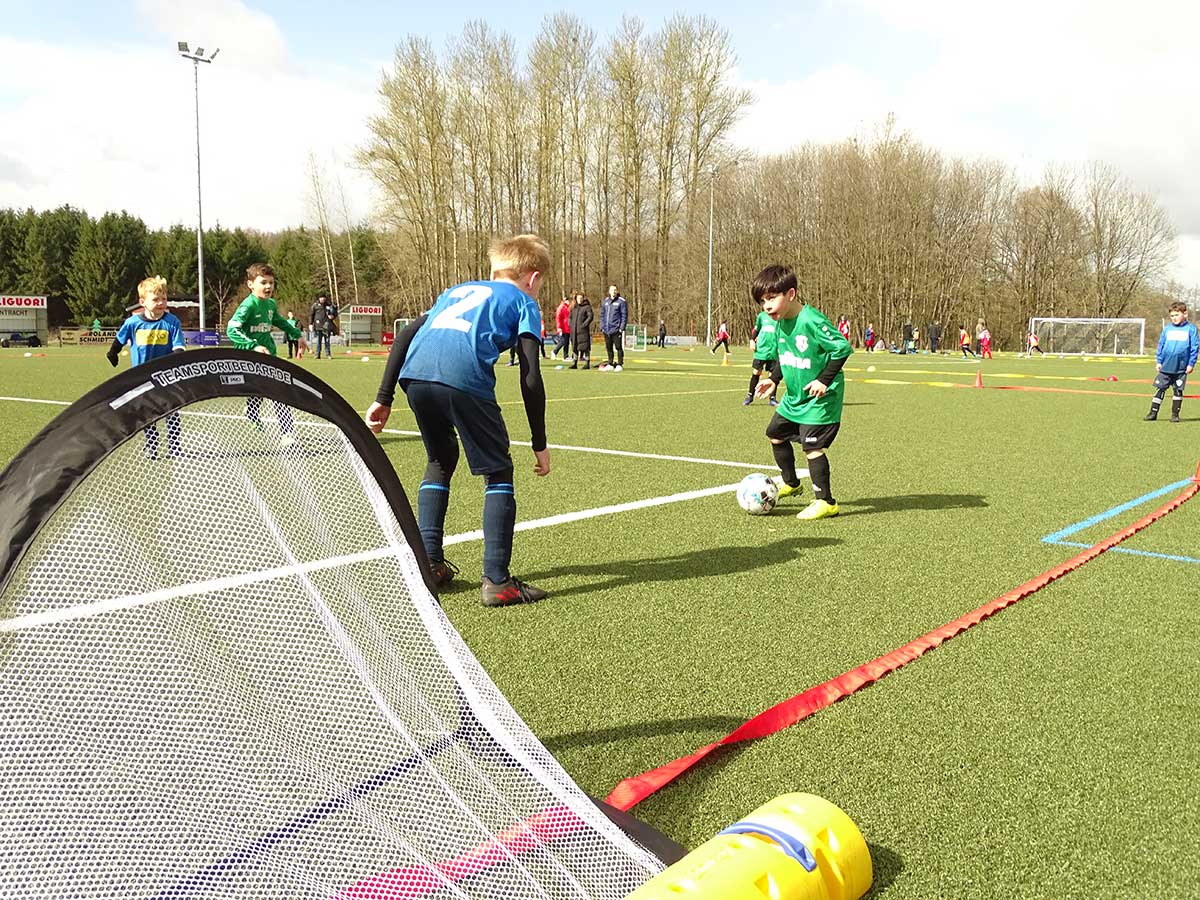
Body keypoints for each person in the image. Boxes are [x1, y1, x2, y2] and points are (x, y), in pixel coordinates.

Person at [365, 233, 552, 607]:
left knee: (439, 459)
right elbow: (530, 375)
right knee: (498, 472)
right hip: (462, 378)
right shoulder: (523, 301)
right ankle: (497, 581)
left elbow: (405, 334)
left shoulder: (456, 289)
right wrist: (539, 441)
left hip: (414, 376)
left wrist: (383, 399)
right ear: (532, 277)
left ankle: (429, 563)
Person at [750, 264, 853, 521]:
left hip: (820, 400)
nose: (767, 306)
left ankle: (826, 502)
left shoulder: (811, 320)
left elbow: (842, 348)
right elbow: (787, 357)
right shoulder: (780, 323)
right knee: (775, 434)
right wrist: (774, 380)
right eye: (763, 301)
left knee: (812, 447)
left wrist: (823, 380)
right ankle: (792, 484)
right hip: (794, 399)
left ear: (791, 294)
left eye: (772, 298)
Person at [228, 263, 308, 446]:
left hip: (269, 356)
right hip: (248, 358)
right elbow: (232, 330)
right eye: (263, 282)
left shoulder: (271, 304)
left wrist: (298, 336)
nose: (268, 287)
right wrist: (253, 346)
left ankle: (287, 433)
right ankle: (253, 412)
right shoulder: (248, 306)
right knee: (261, 390)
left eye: (271, 282)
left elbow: (281, 322)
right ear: (250, 285)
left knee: (281, 392)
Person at [106, 276, 186, 459]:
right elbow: (119, 339)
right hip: (142, 376)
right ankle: (152, 445)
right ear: (143, 302)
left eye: (164, 298)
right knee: (147, 412)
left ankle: (174, 446)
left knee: (171, 411)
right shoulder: (133, 323)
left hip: (167, 375)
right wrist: (112, 353)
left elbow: (178, 346)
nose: (161, 303)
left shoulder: (172, 321)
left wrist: (176, 358)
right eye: (156, 299)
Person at [1144, 301, 1198, 423]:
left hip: (1181, 368)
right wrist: (1159, 361)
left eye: (1176, 315)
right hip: (1166, 367)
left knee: (1178, 390)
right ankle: (1153, 413)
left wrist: (1191, 364)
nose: (1174, 318)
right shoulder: (1167, 329)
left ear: (1185, 314)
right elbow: (1161, 345)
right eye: (1172, 316)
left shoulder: (1191, 329)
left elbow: (1194, 348)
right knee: (1160, 388)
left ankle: (1175, 414)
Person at [744, 298, 779, 407]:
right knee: (756, 373)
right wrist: (752, 340)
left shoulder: (780, 318)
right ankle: (750, 396)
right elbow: (757, 329)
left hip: (774, 351)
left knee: (772, 375)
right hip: (761, 350)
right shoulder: (762, 316)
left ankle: (772, 398)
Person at [599, 284, 628, 371]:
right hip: (607, 329)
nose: (613, 292)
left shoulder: (621, 301)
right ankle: (610, 363)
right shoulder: (606, 301)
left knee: (618, 347)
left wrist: (621, 328)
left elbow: (624, 315)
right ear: (609, 291)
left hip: (616, 329)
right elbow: (602, 315)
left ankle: (620, 364)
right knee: (609, 347)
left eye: (615, 290)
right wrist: (602, 326)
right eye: (612, 290)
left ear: (617, 291)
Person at [569, 291, 594, 369]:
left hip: (583, 331)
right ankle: (574, 363)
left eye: (581, 298)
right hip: (574, 331)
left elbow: (590, 317)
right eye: (578, 298)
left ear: (583, 298)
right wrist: (570, 324)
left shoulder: (587, 307)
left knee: (585, 347)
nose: (579, 299)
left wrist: (584, 325)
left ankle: (587, 363)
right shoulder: (574, 307)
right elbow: (570, 317)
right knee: (574, 347)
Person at [309, 292, 338, 359]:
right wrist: (310, 324)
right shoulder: (315, 305)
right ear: (319, 298)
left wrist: (333, 316)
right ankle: (317, 354)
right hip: (318, 326)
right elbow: (311, 315)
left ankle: (328, 354)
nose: (322, 299)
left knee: (327, 341)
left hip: (327, 326)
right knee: (318, 341)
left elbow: (335, 313)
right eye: (321, 297)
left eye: (323, 297)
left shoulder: (329, 305)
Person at [553, 295, 572, 360]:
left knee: (566, 342)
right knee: (562, 341)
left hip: (568, 327)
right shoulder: (561, 307)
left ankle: (566, 355)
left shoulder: (568, 307)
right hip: (563, 328)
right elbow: (558, 318)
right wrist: (559, 327)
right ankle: (554, 351)